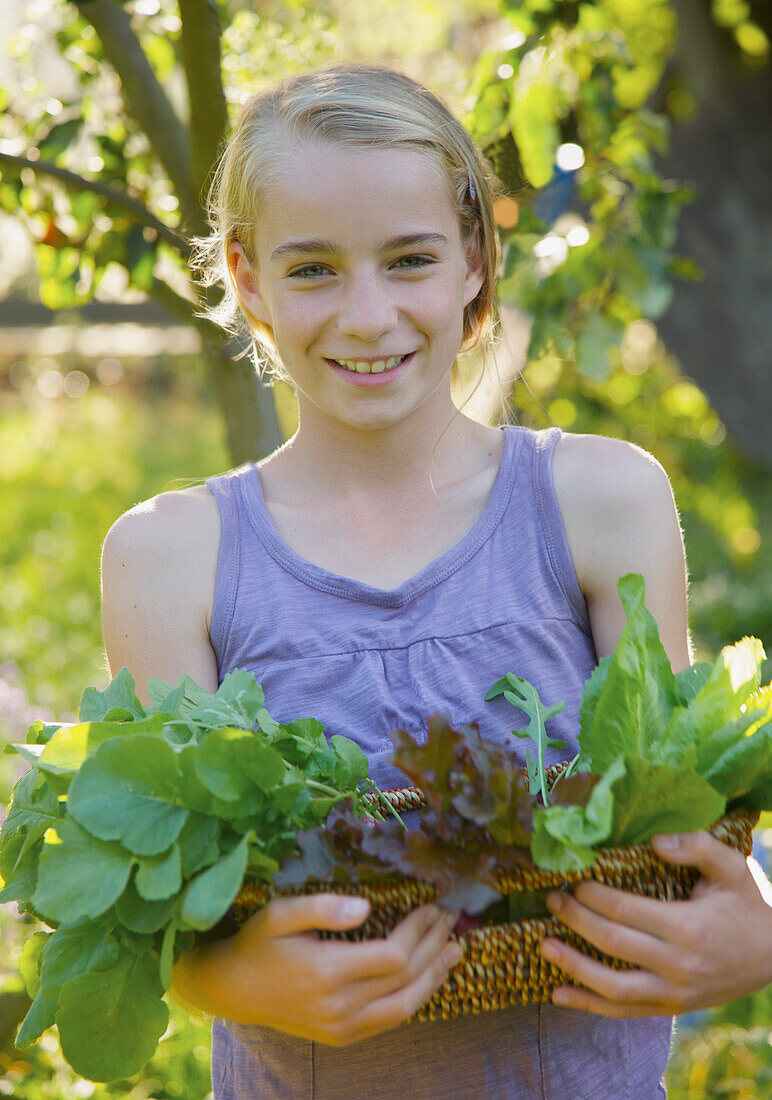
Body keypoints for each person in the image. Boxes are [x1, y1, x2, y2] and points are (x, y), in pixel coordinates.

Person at [100, 62, 772, 1100]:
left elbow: (686, 814)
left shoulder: (596, 499)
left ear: (472, 261)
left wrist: (757, 936)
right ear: (245, 278)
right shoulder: (171, 555)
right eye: (313, 268)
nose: (367, 316)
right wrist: (228, 975)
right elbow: (159, 909)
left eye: (408, 258)